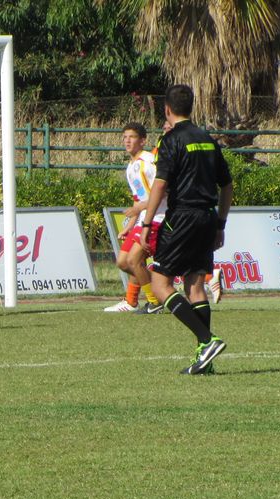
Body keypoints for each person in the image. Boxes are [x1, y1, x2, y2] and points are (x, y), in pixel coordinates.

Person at [140, 84, 232, 375]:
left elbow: (160, 184)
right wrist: (220, 223)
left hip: (182, 218)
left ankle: (207, 340)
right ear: (191, 107)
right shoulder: (207, 139)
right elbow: (227, 185)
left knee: (159, 284)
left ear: (167, 109)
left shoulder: (170, 140)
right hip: (207, 218)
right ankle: (205, 360)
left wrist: (146, 223)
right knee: (195, 285)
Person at [104, 122, 165, 313]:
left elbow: (162, 192)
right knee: (123, 262)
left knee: (134, 260)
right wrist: (129, 225)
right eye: (125, 137)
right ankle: (143, 297)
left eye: (132, 137)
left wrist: (139, 208)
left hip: (157, 217)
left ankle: (154, 301)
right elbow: (138, 199)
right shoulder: (131, 167)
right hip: (142, 219)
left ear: (143, 141)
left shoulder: (149, 162)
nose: (127, 141)